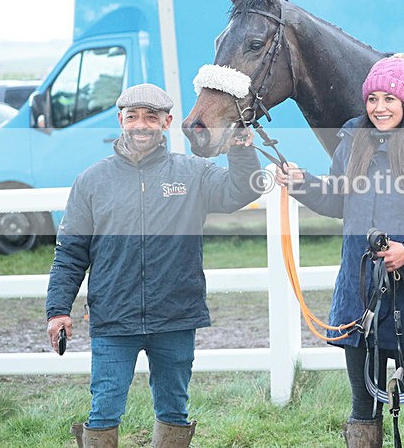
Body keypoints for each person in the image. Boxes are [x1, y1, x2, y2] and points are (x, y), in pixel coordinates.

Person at [45, 83, 261, 447]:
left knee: (174, 410)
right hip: (113, 319)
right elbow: (69, 252)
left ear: (167, 122)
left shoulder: (194, 173)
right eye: (132, 117)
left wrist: (240, 149)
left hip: (176, 316)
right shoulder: (91, 181)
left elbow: (242, 190)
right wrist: (57, 309)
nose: (140, 125)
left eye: (150, 117)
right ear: (120, 121)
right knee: (104, 410)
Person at [275, 54, 404, 448]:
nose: (380, 108)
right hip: (359, 296)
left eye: (389, 100)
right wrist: (301, 182)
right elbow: (336, 202)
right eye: (373, 99)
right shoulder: (350, 149)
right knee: (363, 405)